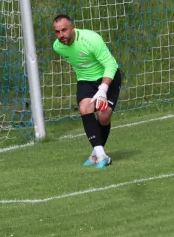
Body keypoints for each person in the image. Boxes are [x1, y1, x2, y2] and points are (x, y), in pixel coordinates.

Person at [52, 14, 122, 168]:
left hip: (108, 77)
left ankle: (96, 154)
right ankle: (102, 155)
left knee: (104, 116)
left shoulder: (91, 39)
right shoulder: (57, 47)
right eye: (57, 32)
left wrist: (103, 89)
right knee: (84, 108)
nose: (61, 35)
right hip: (85, 81)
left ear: (73, 28)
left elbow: (111, 65)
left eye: (64, 30)